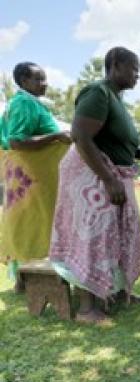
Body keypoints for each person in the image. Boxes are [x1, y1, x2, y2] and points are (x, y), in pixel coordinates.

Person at [49, 47, 140, 323]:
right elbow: (80, 135)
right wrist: (108, 178)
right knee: (94, 237)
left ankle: (116, 292)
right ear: (115, 65)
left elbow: (115, 141)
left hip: (111, 173)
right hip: (92, 179)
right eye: (133, 67)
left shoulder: (115, 99)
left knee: (119, 236)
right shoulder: (98, 93)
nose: (138, 74)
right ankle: (86, 309)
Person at [0, 62, 71, 293]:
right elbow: (17, 141)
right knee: (29, 225)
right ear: (23, 81)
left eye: (45, 78)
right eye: (39, 79)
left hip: (38, 181)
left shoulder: (31, 103)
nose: (45, 83)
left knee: (36, 224)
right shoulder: (22, 103)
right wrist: (57, 136)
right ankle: (24, 280)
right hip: (30, 182)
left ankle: (28, 279)